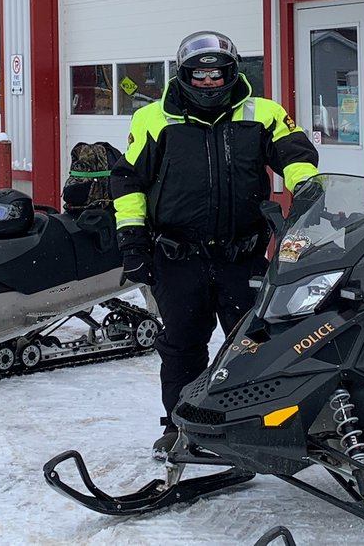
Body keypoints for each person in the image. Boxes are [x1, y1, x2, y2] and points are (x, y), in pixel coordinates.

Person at [110, 30, 319, 459]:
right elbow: (129, 181)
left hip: (242, 255)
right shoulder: (154, 118)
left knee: (251, 347)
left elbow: (296, 156)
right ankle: (180, 425)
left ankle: (249, 427)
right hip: (177, 255)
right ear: (184, 75)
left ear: (231, 73)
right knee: (182, 345)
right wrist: (132, 241)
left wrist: (310, 197)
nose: (209, 84)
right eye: (199, 76)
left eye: (216, 75)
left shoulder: (262, 113)